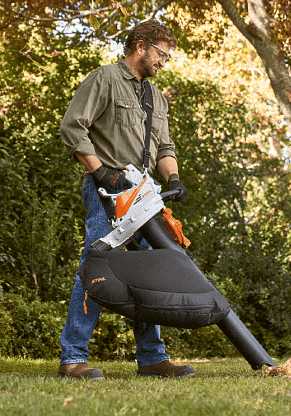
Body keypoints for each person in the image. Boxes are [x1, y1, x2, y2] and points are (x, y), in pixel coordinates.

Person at [59, 19, 192, 380]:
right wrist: (98, 171)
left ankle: (151, 358)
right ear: (140, 46)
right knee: (96, 265)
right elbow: (73, 126)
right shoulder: (104, 79)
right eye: (162, 54)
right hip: (106, 190)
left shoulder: (155, 97)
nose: (165, 62)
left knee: (152, 272)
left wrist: (173, 177)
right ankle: (72, 357)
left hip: (144, 194)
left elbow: (164, 147)